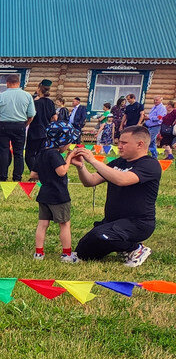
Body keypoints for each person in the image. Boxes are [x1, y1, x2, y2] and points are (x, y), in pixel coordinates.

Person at [70, 125, 161, 267]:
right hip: (112, 221)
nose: (119, 146)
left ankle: (136, 248)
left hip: (138, 223)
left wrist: (93, 161)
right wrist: (81, 167)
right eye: (119, 142)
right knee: (83, 251)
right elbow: (91, 181)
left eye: (124, 143)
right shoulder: (119, 162)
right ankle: (119, 244)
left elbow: (122, 179)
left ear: (140, 144)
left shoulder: (150, 165)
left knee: (99, 235)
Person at [33, 123, 76, 262]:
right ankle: (67, 254)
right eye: (68, 142)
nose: (69, 145)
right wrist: (69, 158)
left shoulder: (42, 152)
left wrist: (47, 174)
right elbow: (62, 171)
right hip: (58, 195)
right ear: (62, 141)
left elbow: (34, 174)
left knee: (42, 224)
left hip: (44, 193)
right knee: (64, 224)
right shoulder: (54, 154)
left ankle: (39, 253)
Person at [0, 73, 35, 182]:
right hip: (20, 124)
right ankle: (17, 177)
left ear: (7, 83)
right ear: (19, 83)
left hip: (4, 125)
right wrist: (25, 125)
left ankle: (2, 176)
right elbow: (31, 114)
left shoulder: (0, 96)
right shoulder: (27, 95)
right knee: (18, 153)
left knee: (3, 151)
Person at [25, 80, 56, 180]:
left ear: (39, 89)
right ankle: (41, 174)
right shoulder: (51, 103)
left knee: (29, 155)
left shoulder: (35, 103)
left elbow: (30, 116)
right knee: (40, 155)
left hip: (34, 131)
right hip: (46, 131)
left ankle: (35, 174)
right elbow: (54, 118)